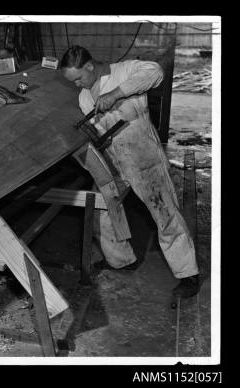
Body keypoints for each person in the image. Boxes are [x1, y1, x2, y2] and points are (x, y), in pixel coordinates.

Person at [60, 45, 200, 298]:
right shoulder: (84, 97)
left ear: (90, 66)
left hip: (142, 154)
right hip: (113, 157)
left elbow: (156, 72)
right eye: (74, 81)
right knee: (102, 208)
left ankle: (188, 274)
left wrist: (116, 93)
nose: (78, 84)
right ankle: (121, 260)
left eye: (79, 77)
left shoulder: (125, 70)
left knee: (164, 212)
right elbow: (97, 129)